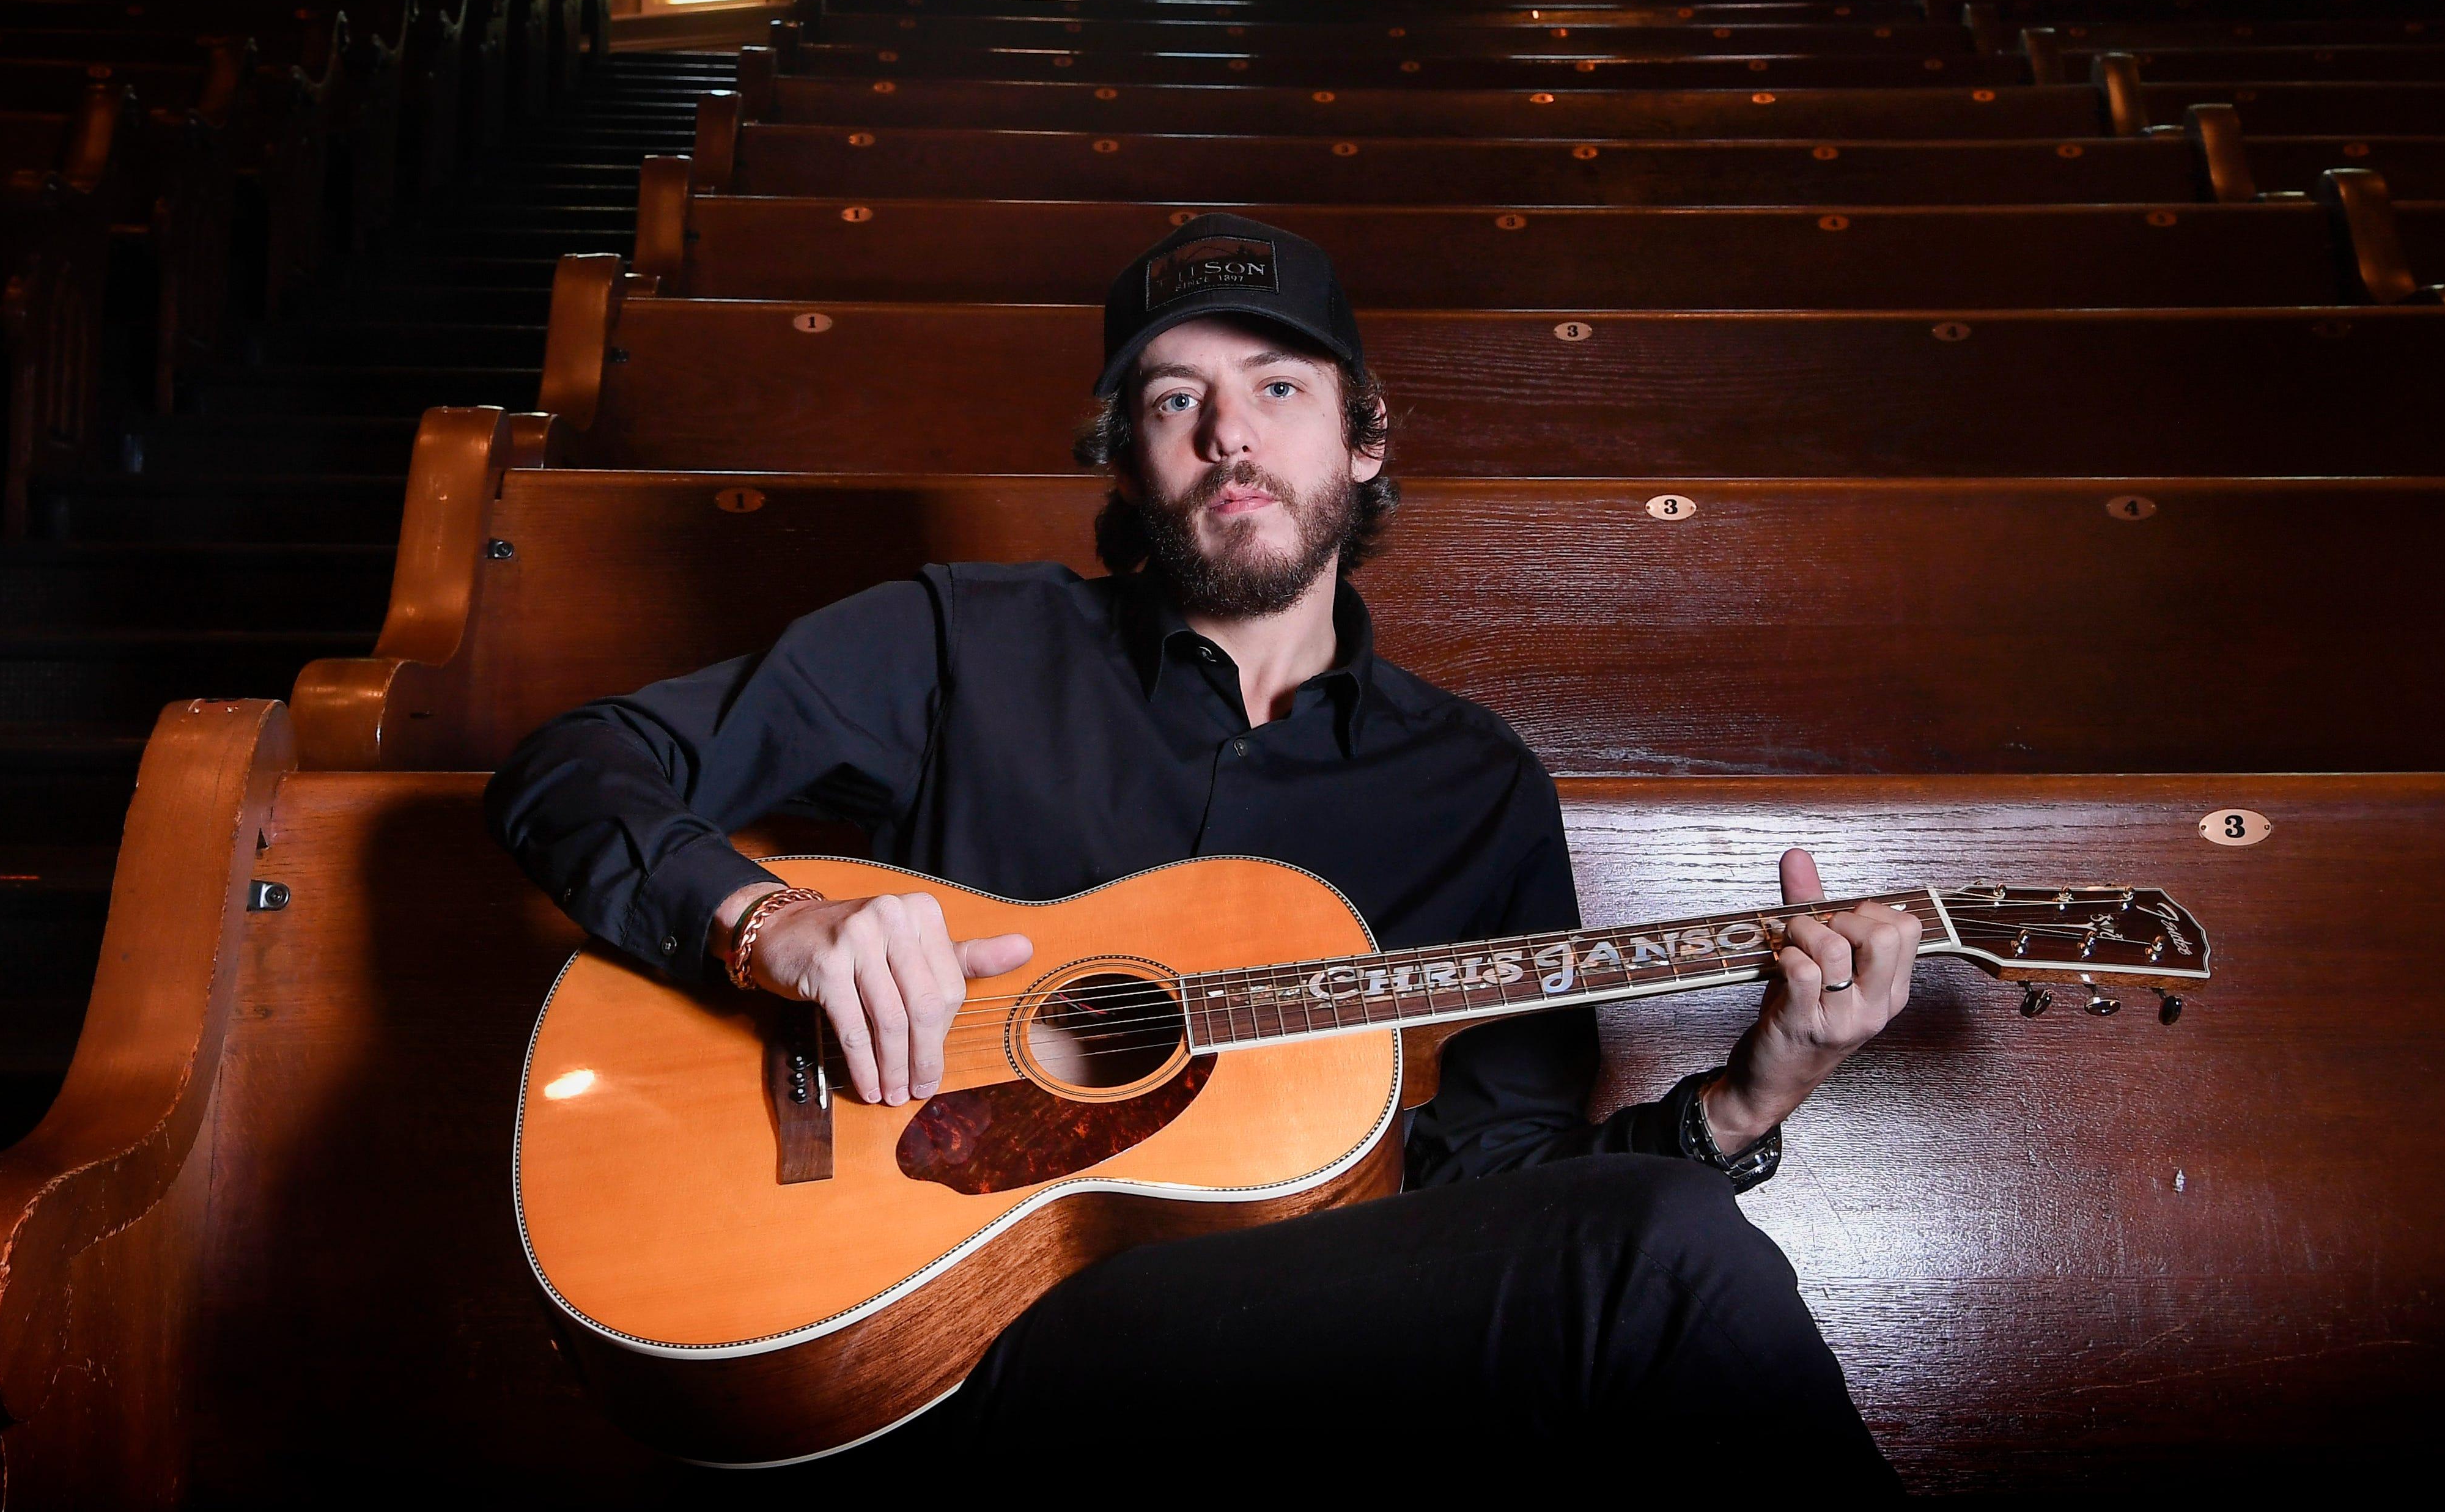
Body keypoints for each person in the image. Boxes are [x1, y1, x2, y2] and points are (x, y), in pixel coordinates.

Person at [487, 213, 1914, 1477]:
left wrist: (1743, 1103)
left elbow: (1498, 1199)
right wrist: (768, 924)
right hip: (908, 1319)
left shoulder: (1473, 790)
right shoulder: (961, 642)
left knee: (1665, 1264)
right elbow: (573, 765)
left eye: (1278, 389)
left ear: (1363, 436)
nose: (1231, 433)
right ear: (1132, 463)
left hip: (1269, 1353)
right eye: (1180, 400)